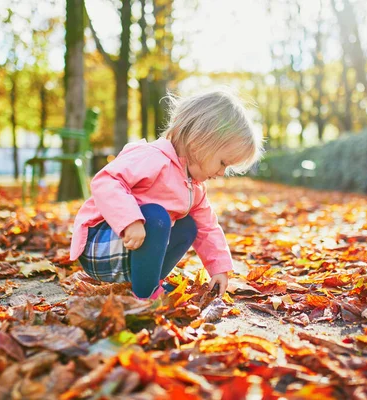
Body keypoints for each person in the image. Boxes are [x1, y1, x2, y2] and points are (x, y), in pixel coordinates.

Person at [69, 89, 264, 299]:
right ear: (198, 143)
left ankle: (148, 283)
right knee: (157, 216)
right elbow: (106, 181)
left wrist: (219, 269)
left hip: (130, 254)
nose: (222, 172)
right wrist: (129, 220)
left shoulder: (195, 189)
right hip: (99, 246)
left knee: (190, 225)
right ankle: (148, 293)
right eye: (223, 162)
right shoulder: (152, 158)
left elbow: (208, 227)